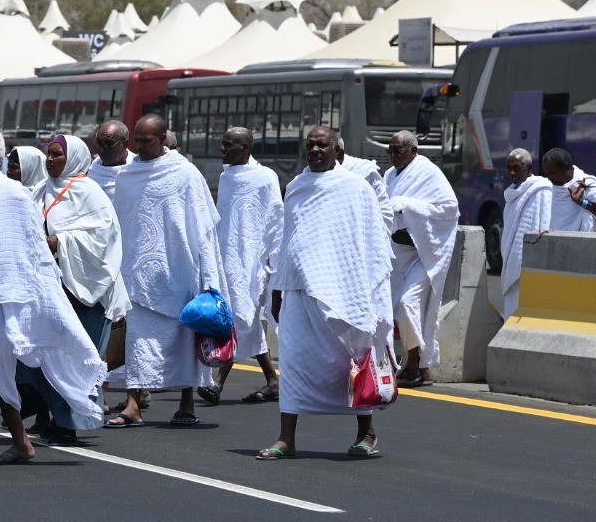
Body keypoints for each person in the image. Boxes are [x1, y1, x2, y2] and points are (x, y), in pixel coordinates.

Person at [0, 128, 106, 466]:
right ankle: (21, 443)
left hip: (6, 294)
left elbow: (28, 248)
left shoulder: (12, 194)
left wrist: (26, 293)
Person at [257, 126, 393, 461]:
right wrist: (277, 288)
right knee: (293, 362)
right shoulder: (298, 187)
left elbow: (372, 245)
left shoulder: (356, 189)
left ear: (336, 149)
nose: (316, 150)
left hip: (344, 293)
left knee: (350, 364)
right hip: (300, 293)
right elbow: (289, 241)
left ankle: (367, 432)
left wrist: (370, 298)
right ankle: (286, 438)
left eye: (322, 144)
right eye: (311, 145)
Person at [106, 114, 222, 428]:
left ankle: (186, 403)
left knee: (184, 339)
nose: (140, 146)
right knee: (137, 341)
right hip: (137, 273)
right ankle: (133, 404)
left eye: (147, 141)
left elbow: (203, 225)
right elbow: (121, 224)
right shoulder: (127, 176)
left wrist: (209, 277)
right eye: (137, 141)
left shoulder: (185, 173)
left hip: (178, 271)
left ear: (162, 138)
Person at [20, 134, 129, 443]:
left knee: (76, 358)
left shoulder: (90, 193)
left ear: (75, 159)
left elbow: (103, 241)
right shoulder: (40, 190)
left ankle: (71, 422)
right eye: (49, 154)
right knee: (44, 355)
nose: (50, 159)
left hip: (84, 291)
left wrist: (60, 241)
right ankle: (58, 416)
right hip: (48, 288)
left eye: (57, 154)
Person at [199, 127, 281, 406]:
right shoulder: (226, 177)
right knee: (238, 317)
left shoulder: (265, 177)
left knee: (241, 317)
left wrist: (274, 259)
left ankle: (219, 381)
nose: (222, 150)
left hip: (255, 260)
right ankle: (272, 380)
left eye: (228, 145)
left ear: (245, 148)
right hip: (227, 259)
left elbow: (275, 219)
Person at [384, 130, 459, 387]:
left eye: (398, 150)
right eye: (390, 151)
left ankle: (413, 363)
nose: (393, 156)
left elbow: (449, 209)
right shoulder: (389, 176)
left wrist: (408, 205)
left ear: (413, 151)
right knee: (396, 307)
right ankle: (422, 367)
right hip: (399, 254)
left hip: (425, 255)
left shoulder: (428, 173)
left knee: (408, 304)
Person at [499, 148, 552, 318]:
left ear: (528, 169)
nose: (512, 172)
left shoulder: (541, 189)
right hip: (511, 257)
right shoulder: (511, 194)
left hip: (529, 258)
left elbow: (543, 222)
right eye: (509, 168)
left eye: (516, 167)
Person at [542, 147, 596, 232]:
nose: (549, 178)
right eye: (547, 174)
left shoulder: (586, 185)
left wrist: (583, 203)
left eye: (552, 173)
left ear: (565, 167)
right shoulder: (553, 189)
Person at [336, 137, 393, 228]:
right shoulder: (309, 175)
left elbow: (384, 211)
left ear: (338, 152)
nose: (314, 151)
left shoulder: (364, 172)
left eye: (322, 146)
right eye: (309, 146)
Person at [88, 119, 129, 194]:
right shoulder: (92, 170)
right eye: (99, 143)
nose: (101, 150)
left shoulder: (137, 170)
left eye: (108, 145)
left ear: (125, 144)